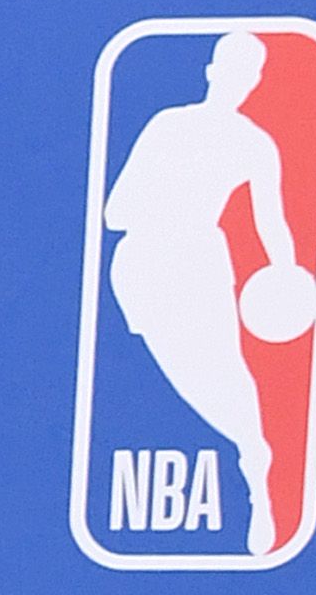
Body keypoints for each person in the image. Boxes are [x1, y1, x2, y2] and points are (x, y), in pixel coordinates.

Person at [103, 30, 302, 554]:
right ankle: (250, 450)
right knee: (187, 373)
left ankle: (256, 467)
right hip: (142, 264)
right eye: (233, 67)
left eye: (248, 71)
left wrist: (287, 275)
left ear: (255, 81)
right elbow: (114, 211)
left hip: (198, 261)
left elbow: (272, 223)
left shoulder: (255, 143)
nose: (239, 79)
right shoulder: (167, 125)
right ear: (212, 70)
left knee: (226, 368)